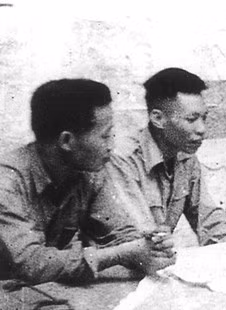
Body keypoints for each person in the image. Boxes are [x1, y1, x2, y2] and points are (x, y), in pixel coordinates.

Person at [0, 79, 175, 284]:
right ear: (67, 141)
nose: (111, 145)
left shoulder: (88, 172)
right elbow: (31, 264)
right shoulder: (7, 182)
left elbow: (118, 232)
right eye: (105, 136)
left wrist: (149, 247)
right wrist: (122, 253)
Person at [104, 68, 226, 246]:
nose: (202, 129)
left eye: (204, 118)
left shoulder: (185, 156)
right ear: (158, 119)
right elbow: (142, 237)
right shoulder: (123, 159)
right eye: (191, 119)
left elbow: (208, 219)